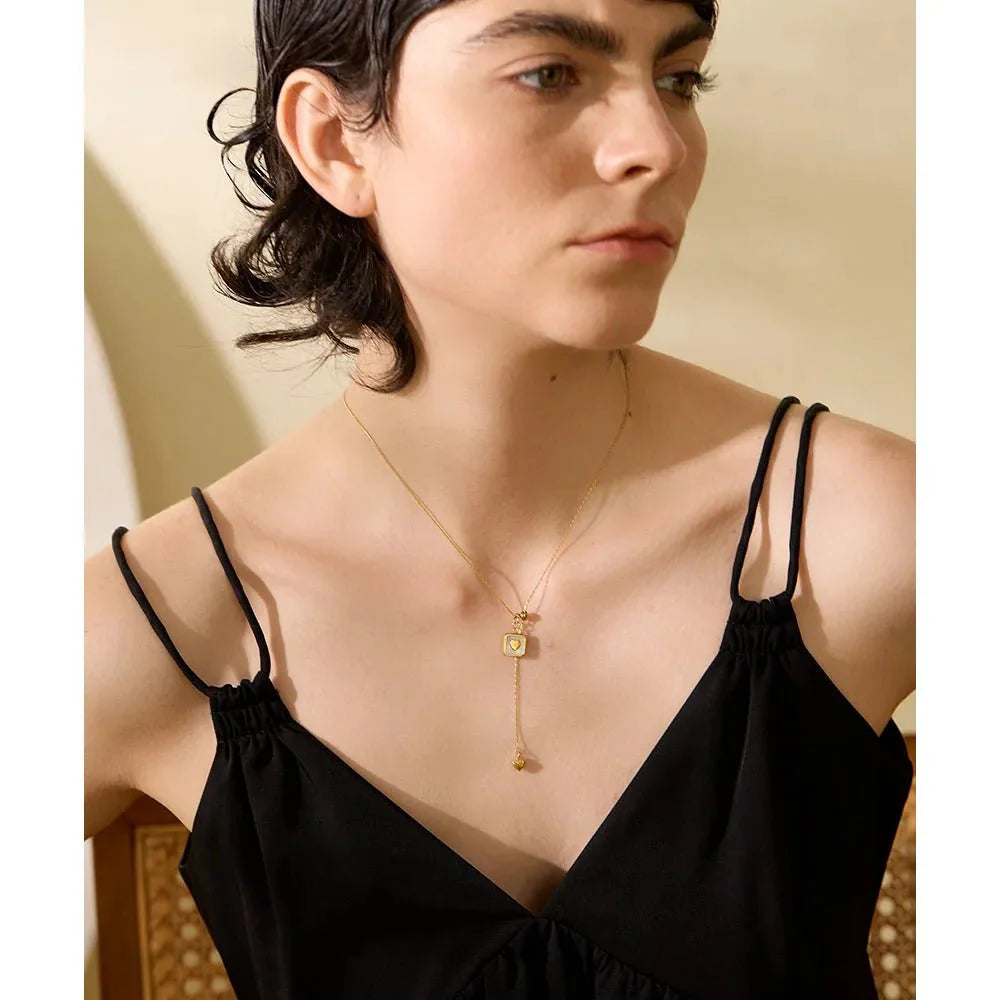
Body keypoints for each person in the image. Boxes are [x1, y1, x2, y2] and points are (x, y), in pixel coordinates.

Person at [84, 1, 915, 996]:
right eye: (549, 74)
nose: (656, 145)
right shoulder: (156, 626)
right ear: (334, 139)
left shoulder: (873, 534)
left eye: (679, 79)